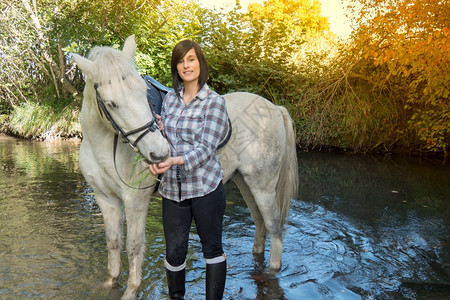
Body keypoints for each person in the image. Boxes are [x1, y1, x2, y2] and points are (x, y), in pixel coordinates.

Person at [149, 40, 229, 300]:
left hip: (206, 188)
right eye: (181, 61)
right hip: (172, 190)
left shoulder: (214, 102)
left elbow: (207, 148)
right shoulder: (169, 99)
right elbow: (166, 140)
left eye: (191, 59)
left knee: (212, 249)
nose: (186, 65)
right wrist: (158, 160)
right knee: (173, 253)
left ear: (200, 63)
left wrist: (175, 161)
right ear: (176, 67)